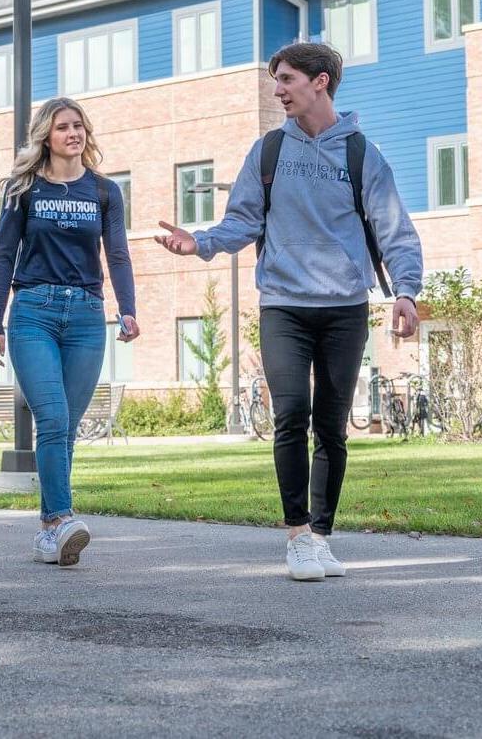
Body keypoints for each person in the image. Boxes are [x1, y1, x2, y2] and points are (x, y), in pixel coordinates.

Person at [156, 41, 423, 581]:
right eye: (276, 80)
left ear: (319, 81)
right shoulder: (269, 151)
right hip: (284, 305)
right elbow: (243, 221)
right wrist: (202, 242)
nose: (277, 90)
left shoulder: (362, 155)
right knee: (290, 414)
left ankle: (322, 537)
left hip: (345, 307)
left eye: (285, 80)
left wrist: (407, 291)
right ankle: (297, 536)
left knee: (332, 426)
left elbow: (393, 228)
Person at [0, 97, 138, 566]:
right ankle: (60, 520)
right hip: (33, 311)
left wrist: (128, 309)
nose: (73, 133)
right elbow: (3, 256)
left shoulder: (105, 191)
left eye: (78, 126)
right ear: (45, 138)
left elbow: (117, 254)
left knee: (66, 428)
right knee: (51, 419)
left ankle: (49, 532)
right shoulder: (23, 189)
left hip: (88, 316)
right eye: (62, 127)